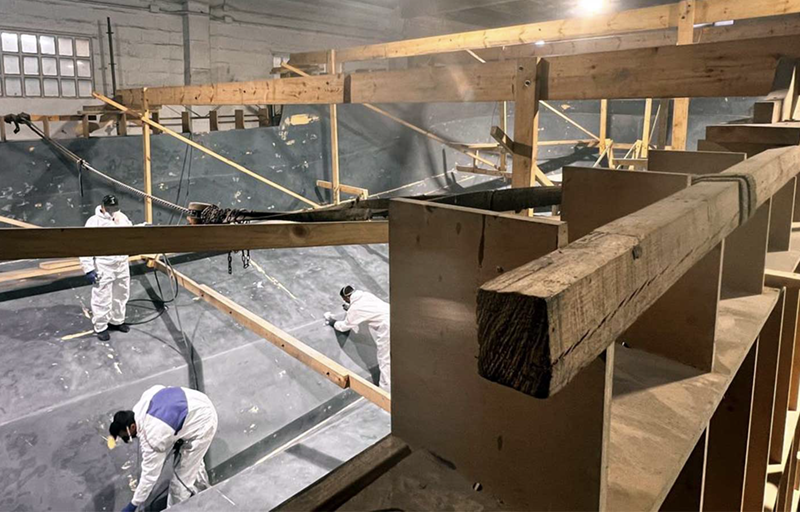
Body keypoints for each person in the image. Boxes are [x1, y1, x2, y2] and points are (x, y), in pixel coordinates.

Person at [109, 385, 218, 511]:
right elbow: (161, 390)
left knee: (181, 482)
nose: (127, 439)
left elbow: (149, 477)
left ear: (132, 427)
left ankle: (177, 509)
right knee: (192, 464)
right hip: (198, 402)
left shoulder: (153, 437)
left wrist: (133, 504)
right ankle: (204, 493)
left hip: (203, 423)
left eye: (125, 437)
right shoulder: (143, 403)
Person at [79, 194, 132, 342]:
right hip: (104, 265)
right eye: (109, 208)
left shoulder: (121, 218)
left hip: (121, 263)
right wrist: (88, 268)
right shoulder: (93, 222)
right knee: (102, 297)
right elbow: (84, 246)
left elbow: (130, 233)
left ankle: (117, 320)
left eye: (114, 208)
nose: (112, 211)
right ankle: (101, 326)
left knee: (121, 294)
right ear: (102, 207)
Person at [324, 286, 391, 389]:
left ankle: (386, 390)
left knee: (384, 359)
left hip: (387, 328)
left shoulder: (354, 310)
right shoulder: (366, 295)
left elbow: (343, 327)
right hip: (396, 317)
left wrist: (332, 322)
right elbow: (368, 309)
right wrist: (350, 308)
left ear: (345, 298)